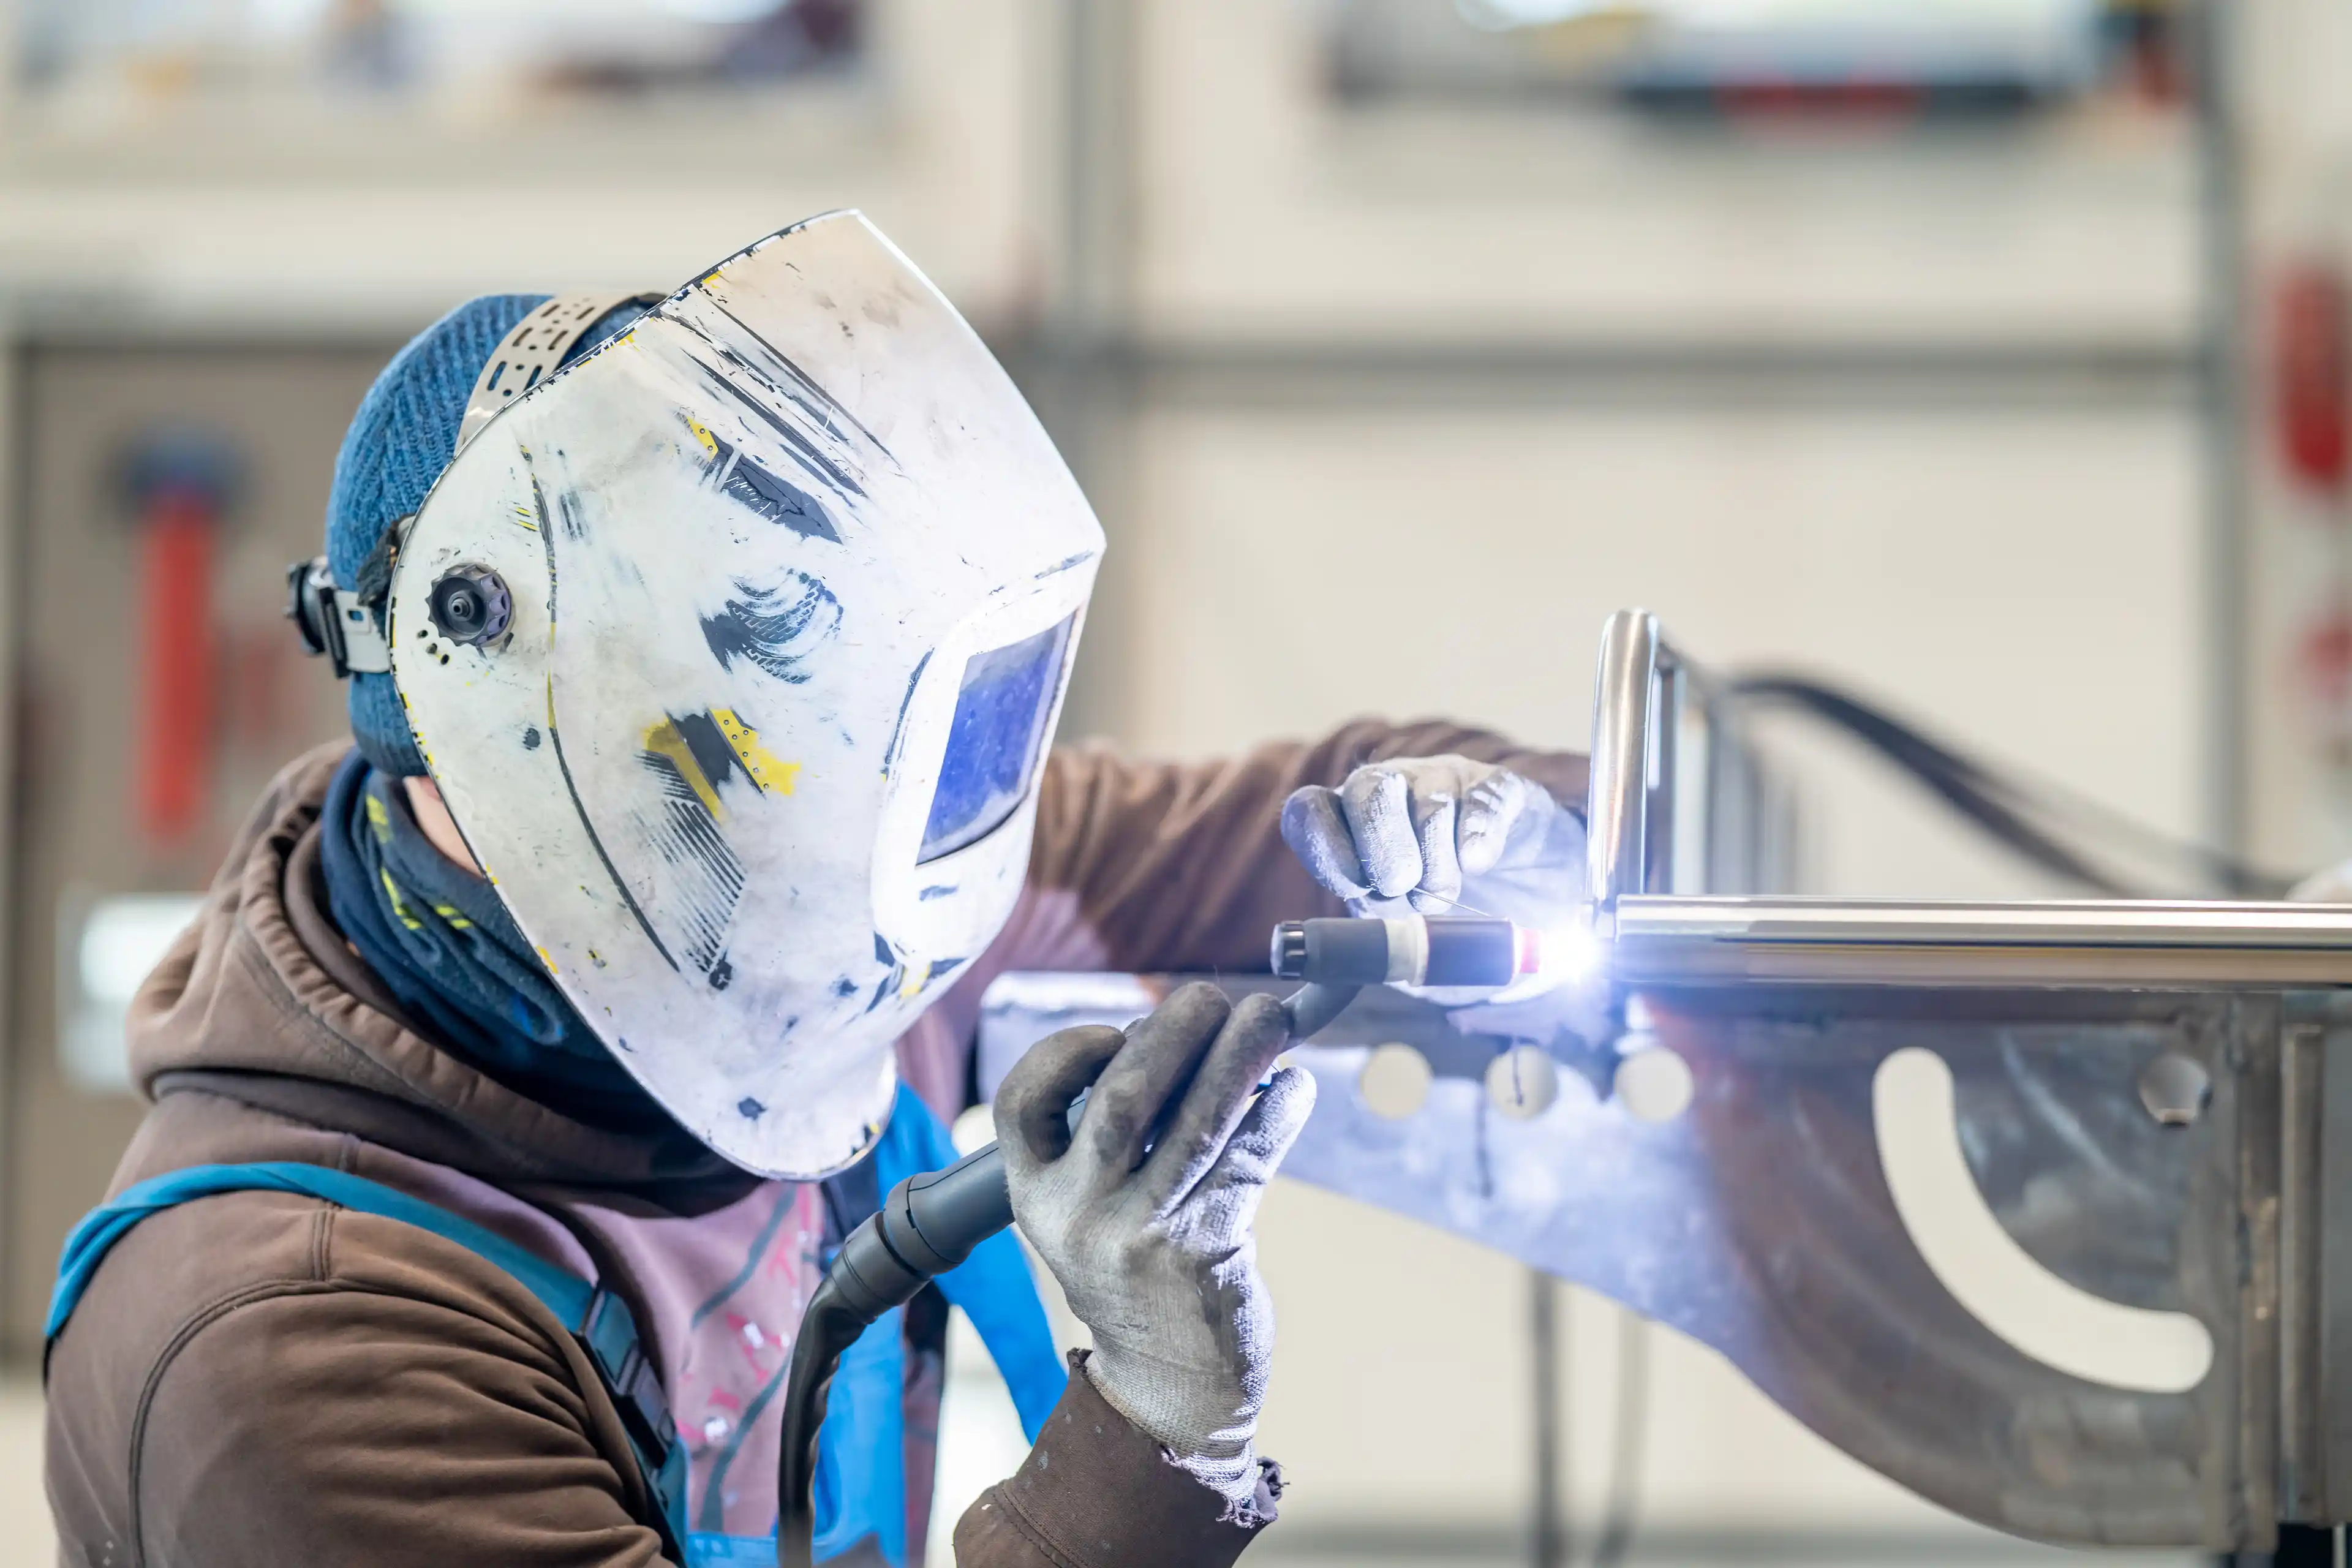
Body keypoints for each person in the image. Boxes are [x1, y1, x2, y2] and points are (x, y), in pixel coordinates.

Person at [42, 214, 1588, 1568]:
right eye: (746, 736)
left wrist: (1504, 826)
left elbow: (1299, 824)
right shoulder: (300, 1341)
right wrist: (1150, 1437)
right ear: (520, 731)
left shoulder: (818, 854)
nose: (848, 832)